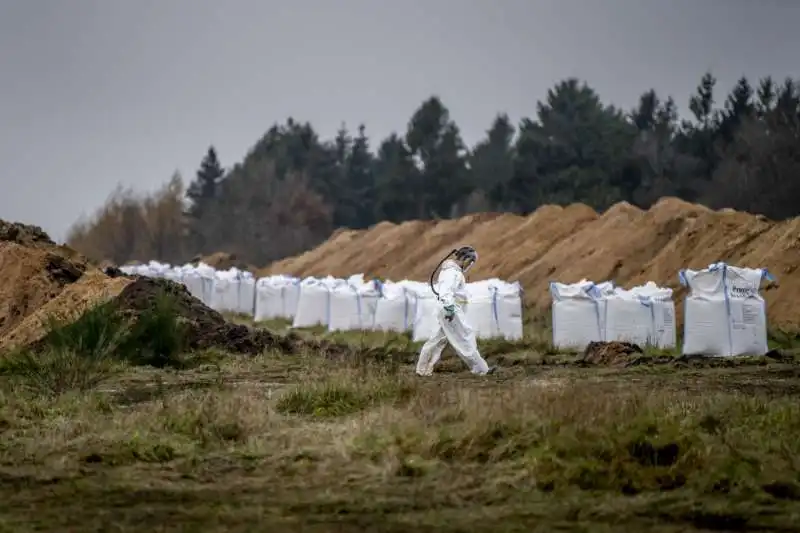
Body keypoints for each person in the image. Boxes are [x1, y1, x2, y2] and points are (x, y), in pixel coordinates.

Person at [416, 245, 495, 376]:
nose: (470, 265)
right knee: (465, 336)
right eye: (471, 262)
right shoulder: (452, 273)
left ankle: (422, 369)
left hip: (448, 307)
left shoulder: (451, 271)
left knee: (437, 339)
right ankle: (481, 369)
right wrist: (450, 309)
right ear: (464, 258)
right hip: (451, 309)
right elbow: (445, 291)